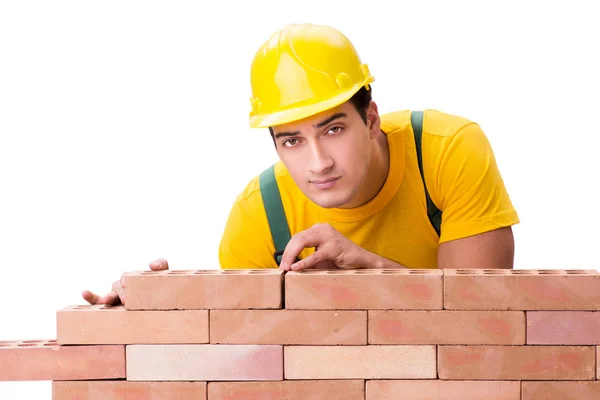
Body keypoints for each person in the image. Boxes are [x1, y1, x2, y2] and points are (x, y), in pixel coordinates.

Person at [83, 23, 519, 306]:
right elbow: (238, 360)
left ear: (370, 118)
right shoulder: (259, 215)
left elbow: (486, 322)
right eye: (293, 140)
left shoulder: (446, 152)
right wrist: (158, 309)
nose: (319, 163)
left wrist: (373, 271)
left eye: (333, 130)